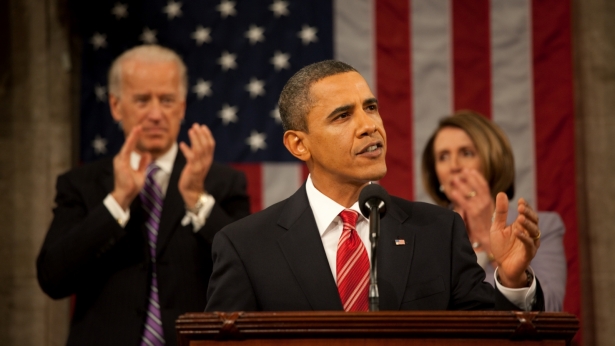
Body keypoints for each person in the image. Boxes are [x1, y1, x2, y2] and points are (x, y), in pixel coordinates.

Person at [205, 60, 544, 313]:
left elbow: (484, 335)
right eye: (343, 116)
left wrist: (512, 282)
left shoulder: (439, 232)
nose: (369, 126)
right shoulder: (246, 247)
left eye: (371, 108)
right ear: (299, 144)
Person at [36, 45, 250, 346]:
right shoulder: (81, 184)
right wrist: (117, 201)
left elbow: (249, 274)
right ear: (115, 106)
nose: (155, 114)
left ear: (182, 106)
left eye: (166, 100)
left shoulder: (222, 183)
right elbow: (53, 279)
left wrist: (196, 199)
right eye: (141, 100)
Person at [421, 110, 566, 311]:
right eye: (443, 156)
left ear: (493, 160)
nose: (454, 166)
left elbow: (550, 309)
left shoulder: (542, 227)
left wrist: (485, 235)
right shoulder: (421, 234)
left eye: (466, 153)